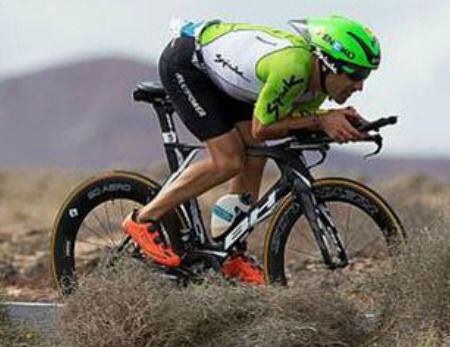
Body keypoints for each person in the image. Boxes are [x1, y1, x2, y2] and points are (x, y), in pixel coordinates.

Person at [122, 15, 382, 284]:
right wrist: (322, 119)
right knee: (229, 160)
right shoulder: (291, 69)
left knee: (255, 157)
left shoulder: (316, 88)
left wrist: (343, 125)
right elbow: (264, 128)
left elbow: (290, 124)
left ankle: (232, 254)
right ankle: (143, 219)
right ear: (328, 63)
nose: (360, 86)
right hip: (188, 64)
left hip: (225, 77)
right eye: (356, 75)